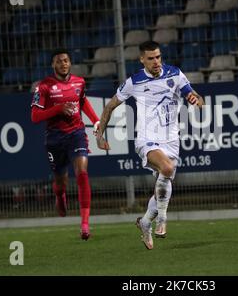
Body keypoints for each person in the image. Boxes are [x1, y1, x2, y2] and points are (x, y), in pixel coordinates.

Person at [96, 41, 204, 250]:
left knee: (163, 185)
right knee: (167, 169)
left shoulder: (175, 74)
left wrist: (195, 99)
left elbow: (199, 100)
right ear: (142, 59)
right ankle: (162, 219)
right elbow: (110, 106)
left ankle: (145, 223)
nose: (156, 62)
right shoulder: (134, 82)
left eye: (158, 57)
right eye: (151, 58)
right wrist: (100, 135)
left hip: (172, 140)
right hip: (146, 139)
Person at [30, 50, 108, 240]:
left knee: (82, 173)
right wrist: (58, 109)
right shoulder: (44, 87)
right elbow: (34, 116)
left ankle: (85, 224)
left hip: (76, 134)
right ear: (53, 65)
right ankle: (60, 195)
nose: (63, 64)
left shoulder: (79, 82)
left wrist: (97, 121)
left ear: (70, 63)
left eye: (66, 61)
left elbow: (83, 102)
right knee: (60, 181)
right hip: (55, 139)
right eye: (59, 61)